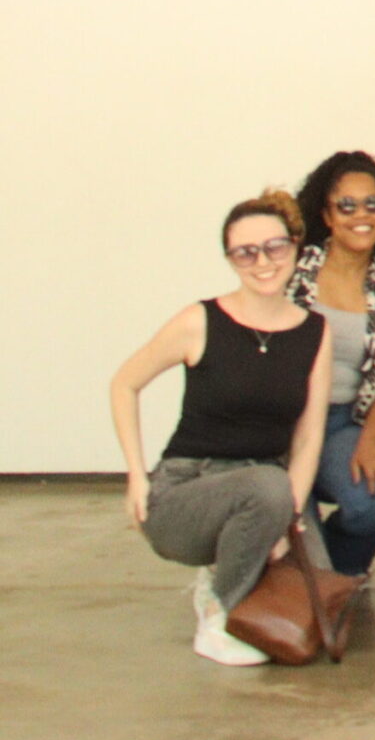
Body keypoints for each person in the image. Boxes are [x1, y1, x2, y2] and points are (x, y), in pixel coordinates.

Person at [110, 191, 332, 665]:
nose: (263, 262)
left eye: (274, 247)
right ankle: (218, 612)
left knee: (314, 588)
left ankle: (227, 574)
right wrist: (135, 475)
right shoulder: (201, 320)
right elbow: (124, 383)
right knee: (267, 489)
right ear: (231, 259)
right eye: (245, 252)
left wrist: (285, 517)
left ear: (295, 246)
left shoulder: (315, 331)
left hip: (264, 489)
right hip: (186, 491)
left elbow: (309, 435)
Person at [284, 152, 375, 578]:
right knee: (281, 509)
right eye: (346, 205)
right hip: (281, 421)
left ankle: (340, 574)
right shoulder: (291, 270)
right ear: (326, 215)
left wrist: (370, 441)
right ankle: (300, 570)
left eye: (373, 204)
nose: (360, 215)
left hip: (343, 425)